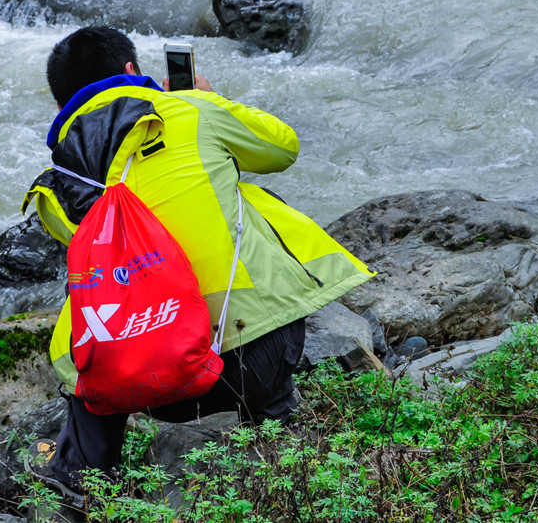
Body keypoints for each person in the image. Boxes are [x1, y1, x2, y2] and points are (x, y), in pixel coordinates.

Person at [21, 25, 373, 495]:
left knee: (100, 283)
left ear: (63, 101)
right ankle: (286, 441)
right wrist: (210, 99)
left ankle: (82, 476)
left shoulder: (57, 179)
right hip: (252, 360)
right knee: (244, 195)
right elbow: (282, 147)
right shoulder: (188, 109)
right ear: (131, 71)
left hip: (139, 382)